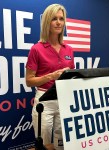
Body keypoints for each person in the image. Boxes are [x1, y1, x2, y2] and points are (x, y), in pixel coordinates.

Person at [25, 4, 75, 145]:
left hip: (64, 99)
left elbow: (71, 76)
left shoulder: (69, 49)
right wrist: (50, 76)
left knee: (62, 142)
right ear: (47, 21)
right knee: (44, 143)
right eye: (54, 19)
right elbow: (29, 81)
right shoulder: (36, 49)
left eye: (61, 18)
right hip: (44, 100)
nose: (59, 22)